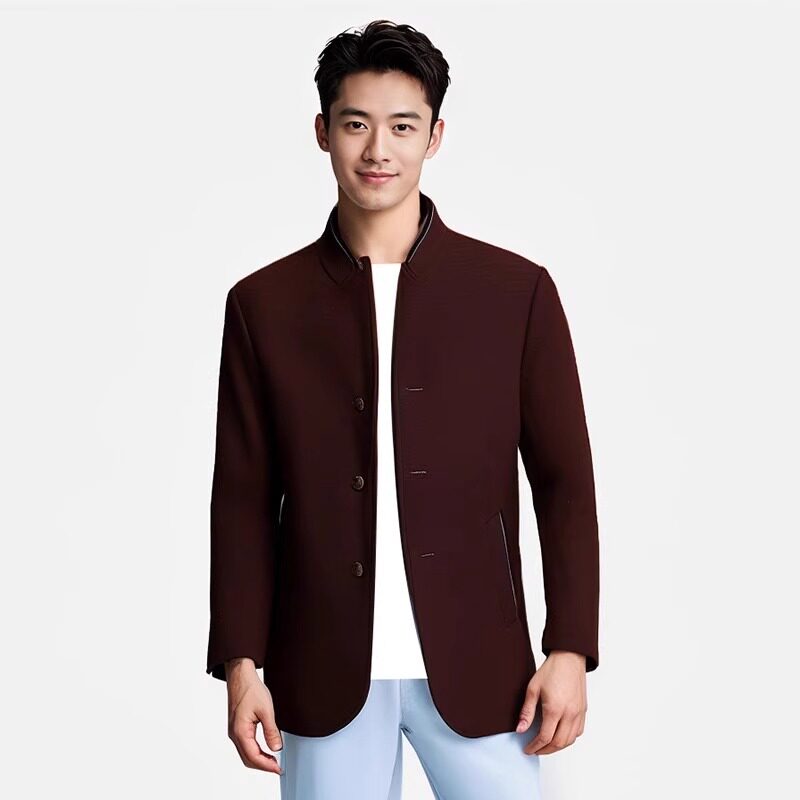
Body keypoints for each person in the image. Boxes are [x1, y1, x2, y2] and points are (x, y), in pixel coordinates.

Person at [205, 19, 600, 800]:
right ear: (322, 132)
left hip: (482, 669)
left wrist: (570, 648)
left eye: (402, 126)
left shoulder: (514, 293)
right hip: (320, 672)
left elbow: (565, 482)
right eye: (356, 124)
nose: (377, 150)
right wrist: (242, 665)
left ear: (435, 136)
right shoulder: (264, 304)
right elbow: (243, 499)